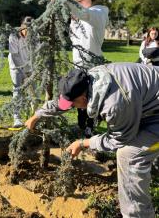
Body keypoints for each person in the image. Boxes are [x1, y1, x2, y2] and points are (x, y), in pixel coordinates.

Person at [25, 63, 159, 218]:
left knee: (128, 155)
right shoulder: (89, 79)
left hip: (151, 113)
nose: (72, 107)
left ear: (82, 98)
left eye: (73, 104)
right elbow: (63, 103)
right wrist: (37, 115)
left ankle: (137, 214)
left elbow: (120, 139)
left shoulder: (114, 104)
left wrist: (82, 143)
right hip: (147, 105)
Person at [48, 0, 109, 138]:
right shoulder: (76, 18)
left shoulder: (98, 12)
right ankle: (82, 126)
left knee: (91, 98)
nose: (76, 4)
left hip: (93, 66)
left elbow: (83, 13)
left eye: (79, 0)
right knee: (78, 98)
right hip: (78, 66)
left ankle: (90, 128)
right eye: (74, 1)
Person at [8, 16, 33, 128]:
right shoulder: (14, 35)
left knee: (34, 92)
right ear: (21, 25)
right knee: (17, 91)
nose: (28, 29)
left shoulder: (35, 35)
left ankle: (33, 117)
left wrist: (34, 69)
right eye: (26, 26)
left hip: (31, 66)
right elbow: (14, 55)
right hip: (16, 67)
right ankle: (17, 118)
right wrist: (22, 71)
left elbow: (36, 52)